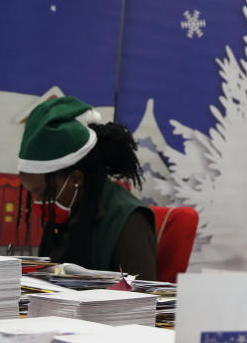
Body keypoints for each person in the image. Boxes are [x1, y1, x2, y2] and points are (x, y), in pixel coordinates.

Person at [18, 96, 157, 279]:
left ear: (76, 179)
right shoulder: (67, 214)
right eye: (32, 194)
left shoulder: (128, 221)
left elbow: (141, 300)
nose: (38, 202)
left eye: (44, 193)